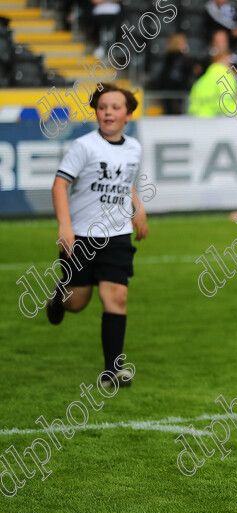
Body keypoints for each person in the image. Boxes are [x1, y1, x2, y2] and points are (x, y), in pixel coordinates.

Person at [45, 83, 149, 388]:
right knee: (77, 302)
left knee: (116, 296)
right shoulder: (83, 146)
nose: (108, 112)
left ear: (128, 115)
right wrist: (65, 226)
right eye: (103, 107)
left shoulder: (134, 147)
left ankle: (112, 371)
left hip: (117, 234)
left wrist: (137, 207)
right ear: (96, 112)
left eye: (115, 108)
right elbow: (59, 185)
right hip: (81, 236)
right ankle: (58, 297)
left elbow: (125, 182)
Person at [188, 49, 236, 117]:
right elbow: (227, 97)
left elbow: (193, 103)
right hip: (223, 120)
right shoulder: (226, 75)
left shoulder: (201, 80)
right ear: (223, 59)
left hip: (200, 118)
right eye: (229, 60)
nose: (230, 64)